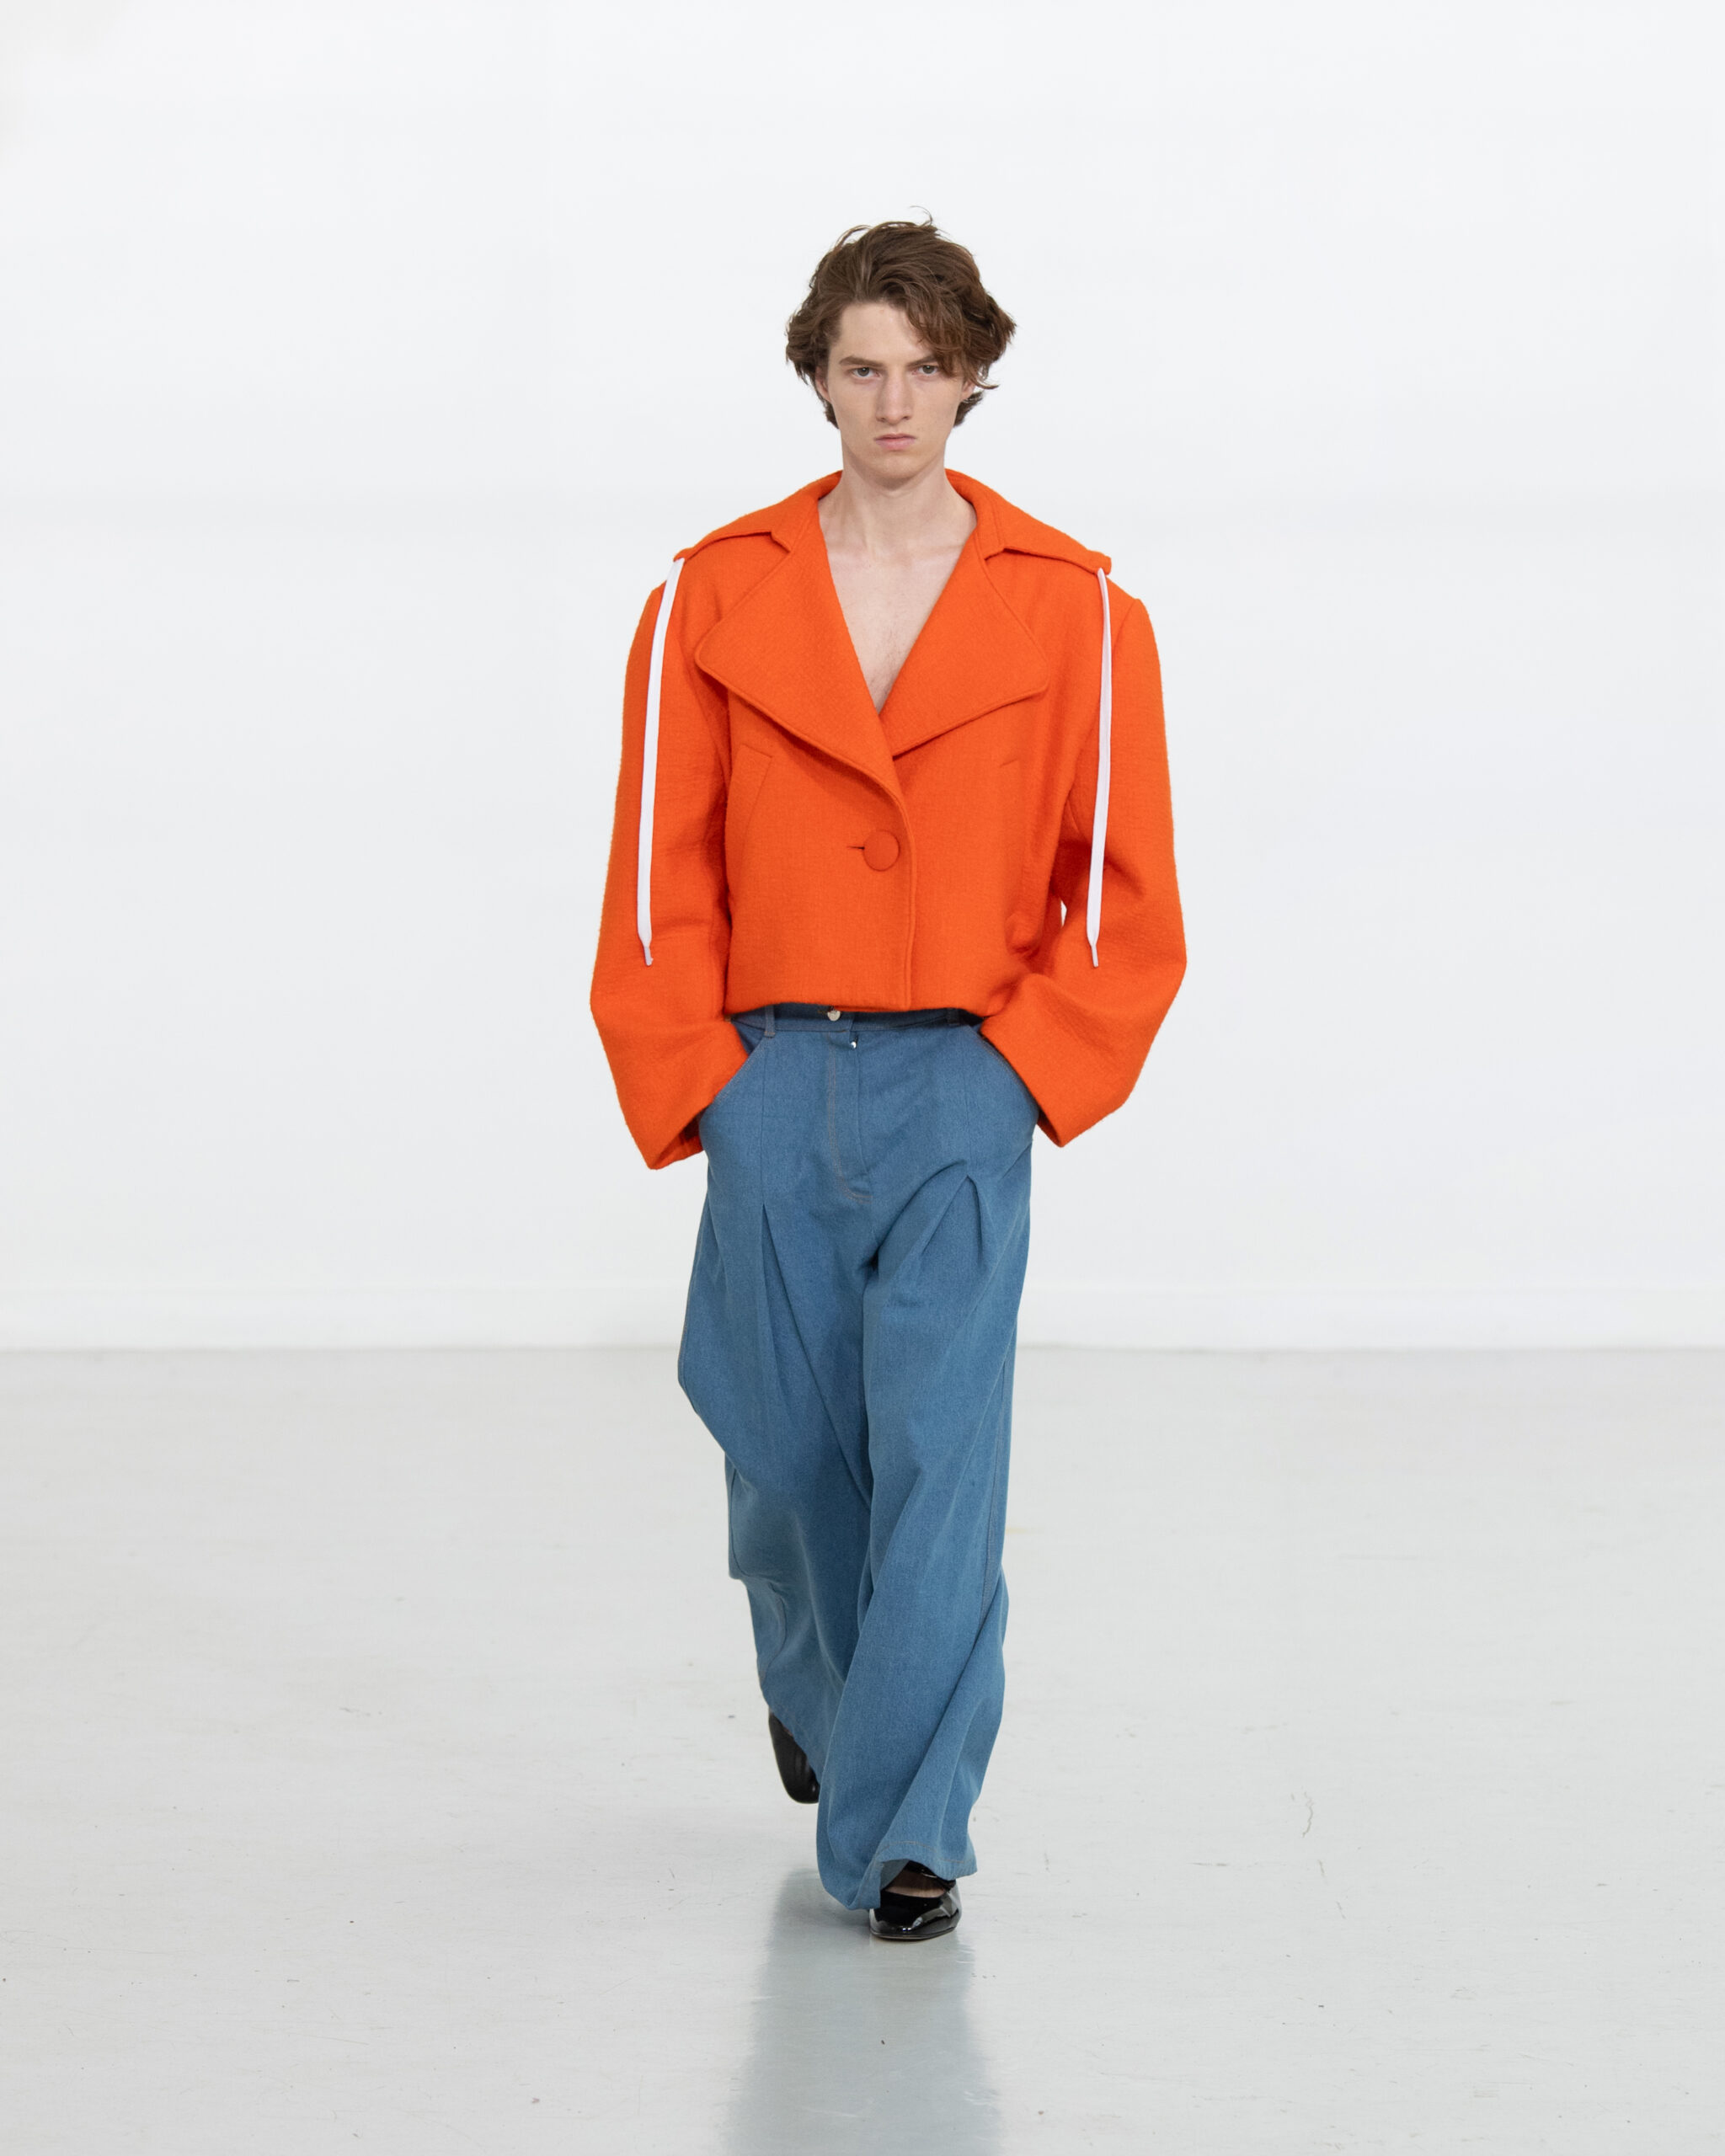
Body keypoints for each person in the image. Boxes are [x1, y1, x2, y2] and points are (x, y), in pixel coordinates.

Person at [590, 220, 1185, 1940]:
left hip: (963, 1079)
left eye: (927, 367)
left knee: (939, 1458)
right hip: (771, 1068)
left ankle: (909, 1827)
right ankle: (820, 1686)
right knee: (778, 1442)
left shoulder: (1080, 609)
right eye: (863, 367)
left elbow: (1119, 883)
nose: (896, 400)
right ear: (820, 378)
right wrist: (702, 1077)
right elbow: (656, 864)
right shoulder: (712, 593)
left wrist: (1021, 1073)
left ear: (973, 375)